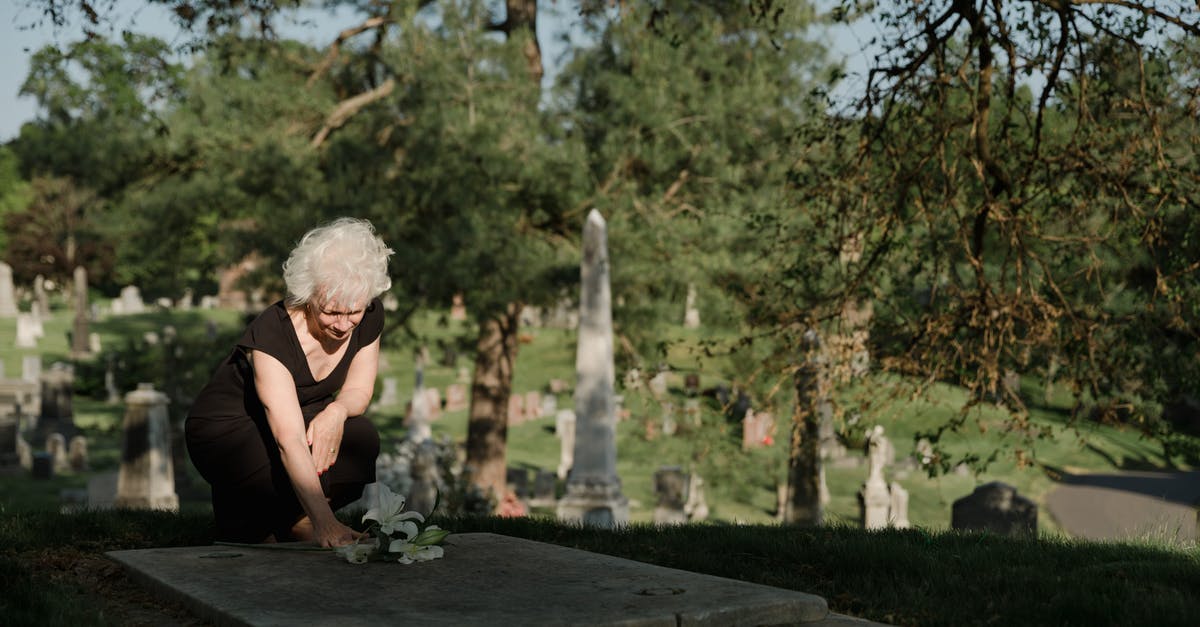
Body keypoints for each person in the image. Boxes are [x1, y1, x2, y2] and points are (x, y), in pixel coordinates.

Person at [186, 217, 393, 547]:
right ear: (308, 295)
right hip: (229, 430)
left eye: (353, 311)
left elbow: (358, 390)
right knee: (279, 473)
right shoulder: (272, 336)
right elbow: (289, 438)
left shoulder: (368, 316)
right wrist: (326, 525)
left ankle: (279, 521)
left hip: (305, 416)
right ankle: (296, 522)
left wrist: (336, 413)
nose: (343, 325)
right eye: (331, 311)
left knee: (361, 438)